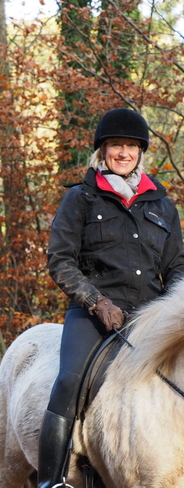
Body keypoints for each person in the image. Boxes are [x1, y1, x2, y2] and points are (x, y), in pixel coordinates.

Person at [39, 108, 184, 488]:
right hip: (92, 315)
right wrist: (95, 301)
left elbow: (177, 268)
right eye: (116, 145)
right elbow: (61, 260)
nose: (124, 152)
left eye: (131, 146)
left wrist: (170, 313)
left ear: (141, 152)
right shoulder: (80, 199)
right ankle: (51, 479)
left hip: (148, 318)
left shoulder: (162, 205)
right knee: (70, 380)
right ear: (102, 151)